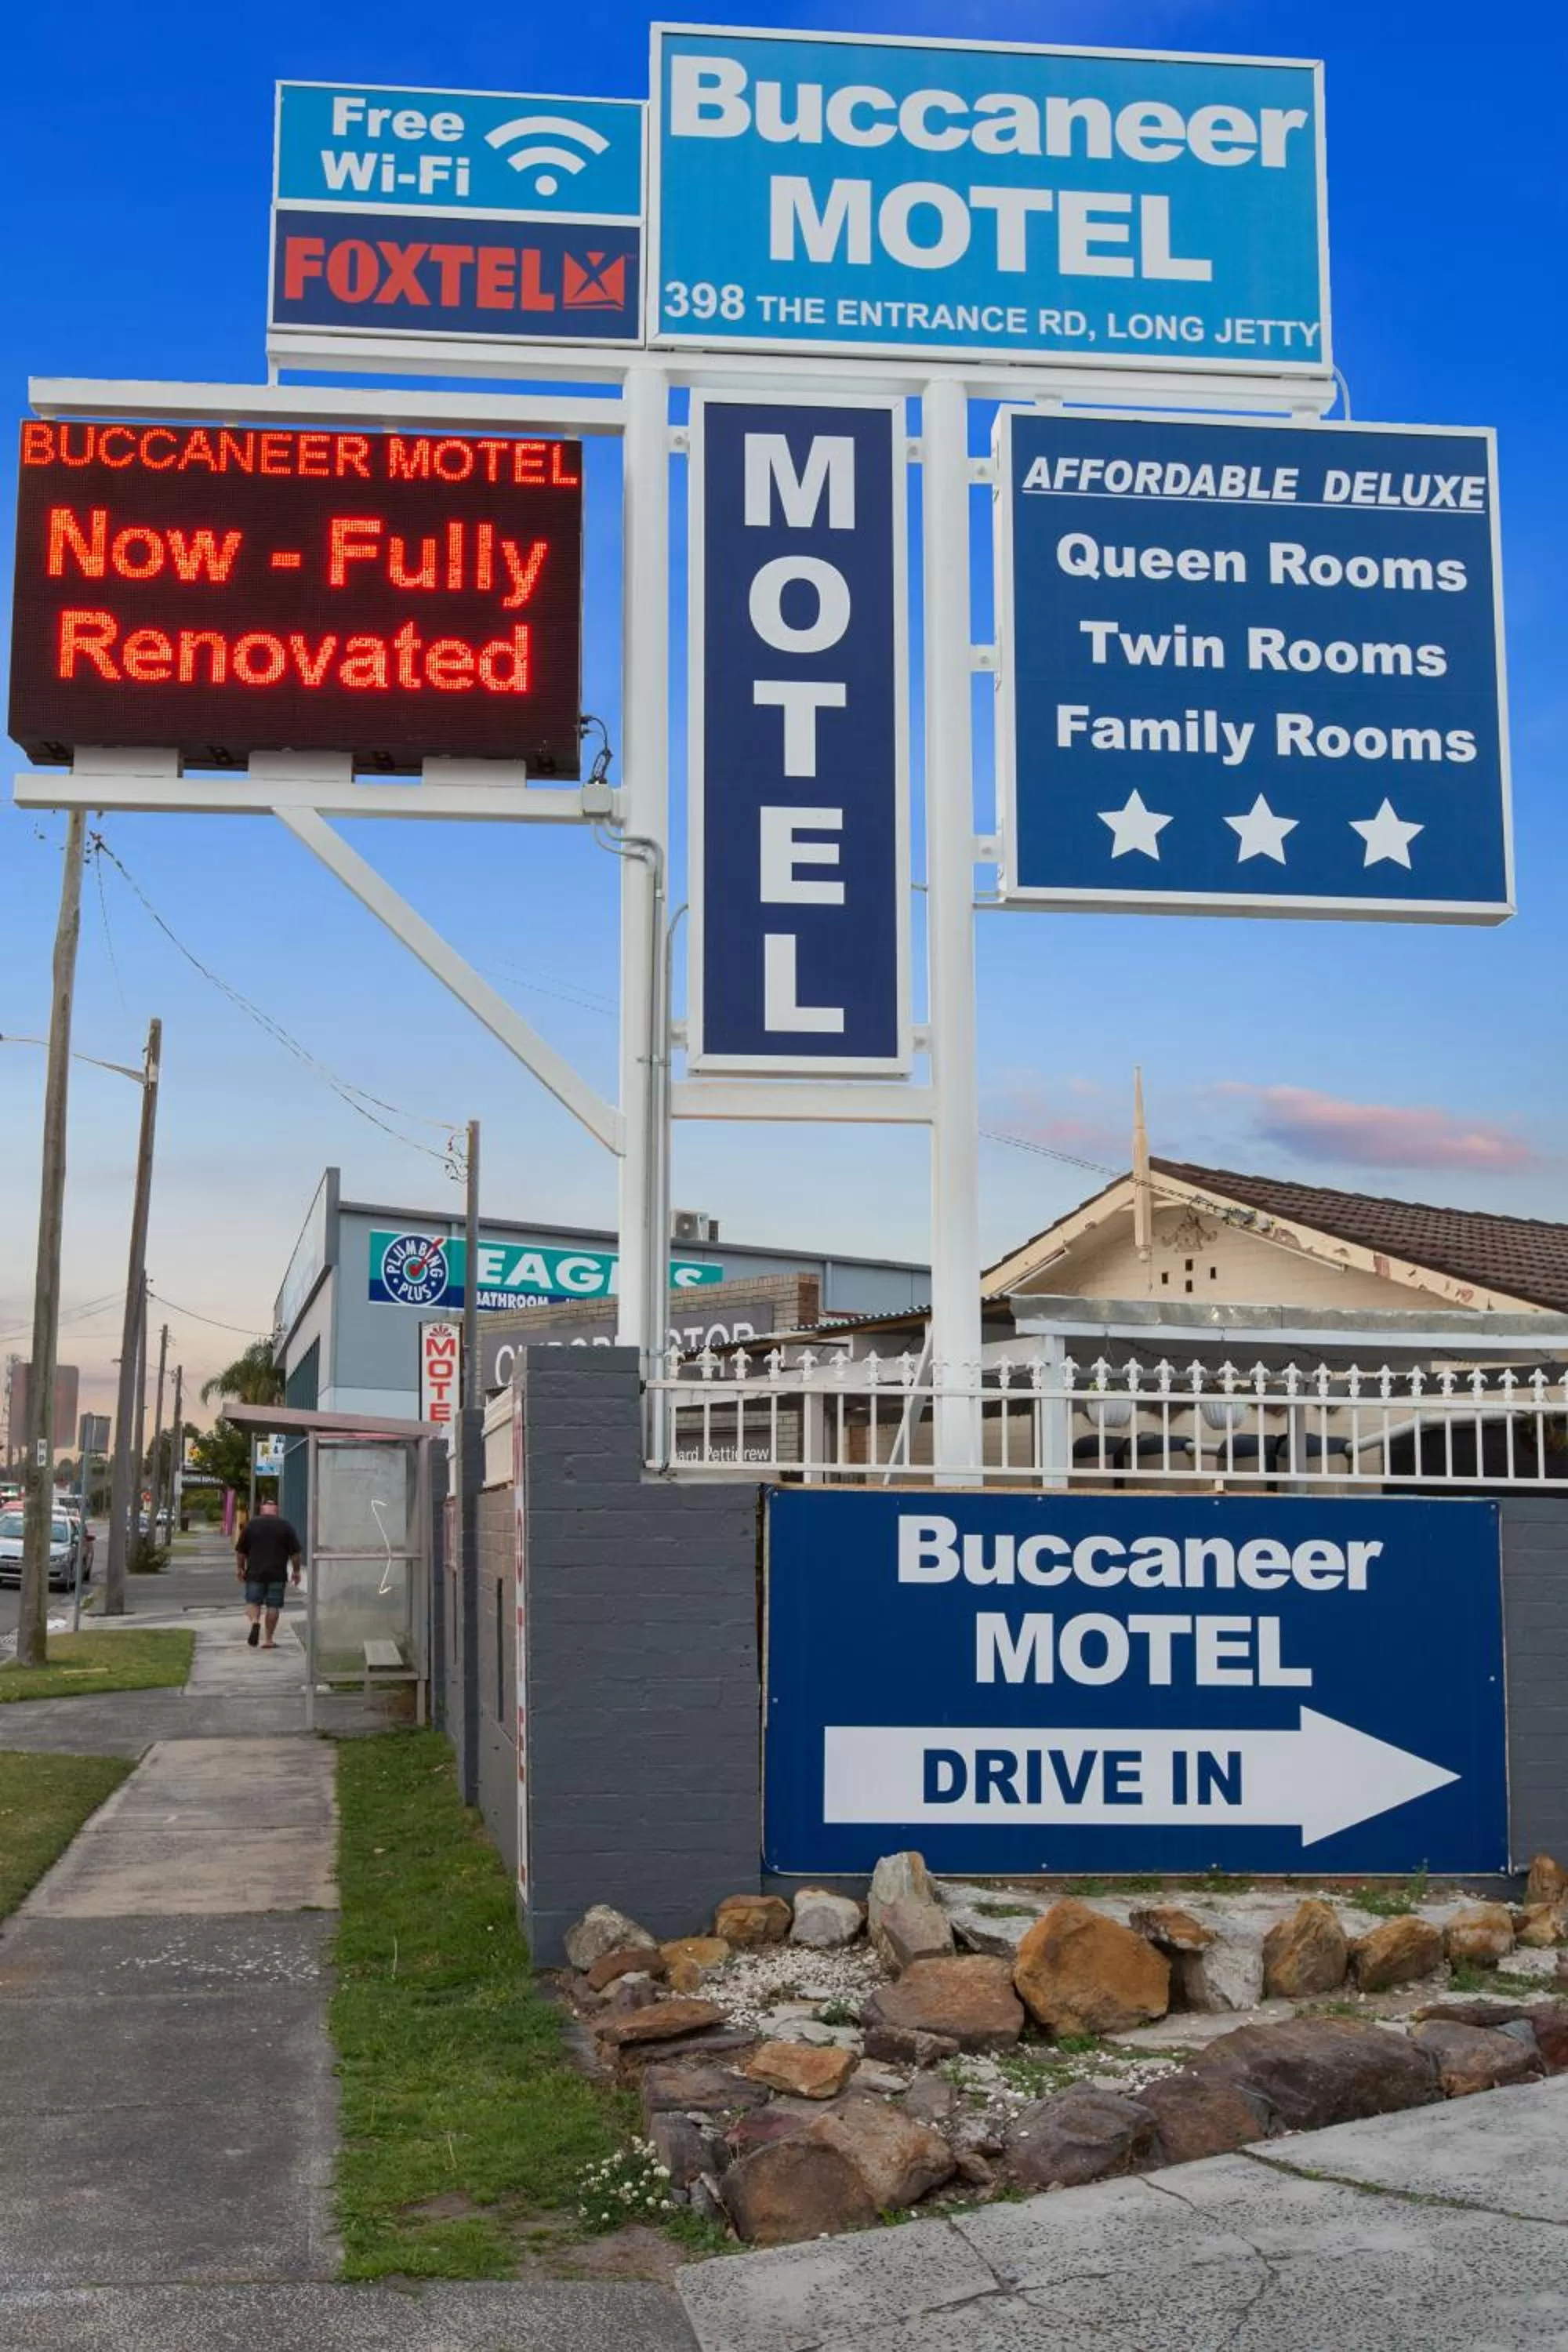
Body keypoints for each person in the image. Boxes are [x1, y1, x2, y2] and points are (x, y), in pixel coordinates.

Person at [235, 1497, 303, 1650]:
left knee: (253, 1602)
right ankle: (268, 1640)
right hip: (277, 1573)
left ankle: (255, 1622)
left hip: (254, 1572)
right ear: (276, 1510)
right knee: (273, 1606)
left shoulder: (251, 1525)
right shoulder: (286, 1526)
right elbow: (295, 1553)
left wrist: (240, 1568)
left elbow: (241, 1551)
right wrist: (297, 1571)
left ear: (261, 1510)